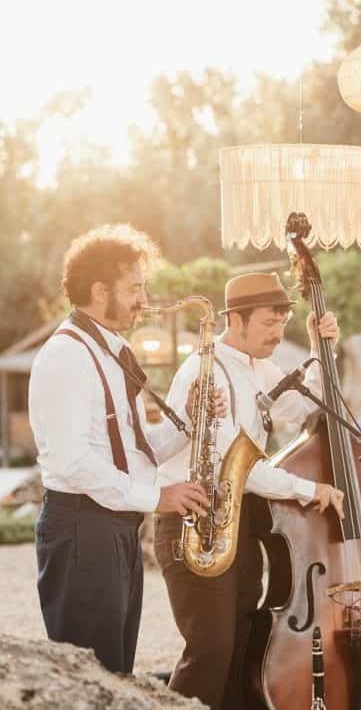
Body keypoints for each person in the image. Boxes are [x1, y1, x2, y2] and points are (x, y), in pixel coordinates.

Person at [28, 224, 219, 675]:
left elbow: (136, 450)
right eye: (134, 288)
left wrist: (191, 418)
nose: (144, 299)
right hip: (82, 528)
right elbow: (73, 462)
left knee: (117, 673)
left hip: (112, 527)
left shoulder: (110, 351)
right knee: (93, 678)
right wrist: (157, 497)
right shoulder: (67, 356)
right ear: (99, 290)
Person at [154, 271, 345, 710]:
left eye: (282, 322)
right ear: (234, 320)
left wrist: (319, 350)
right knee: (210, 651)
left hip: (235, 522)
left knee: (242, 645)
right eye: (267, 323)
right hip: (193, 523)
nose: (277, 333)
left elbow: (305, 408)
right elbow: (234, 467)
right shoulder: (204, 370)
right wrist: (309, 489)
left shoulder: (261, 366)